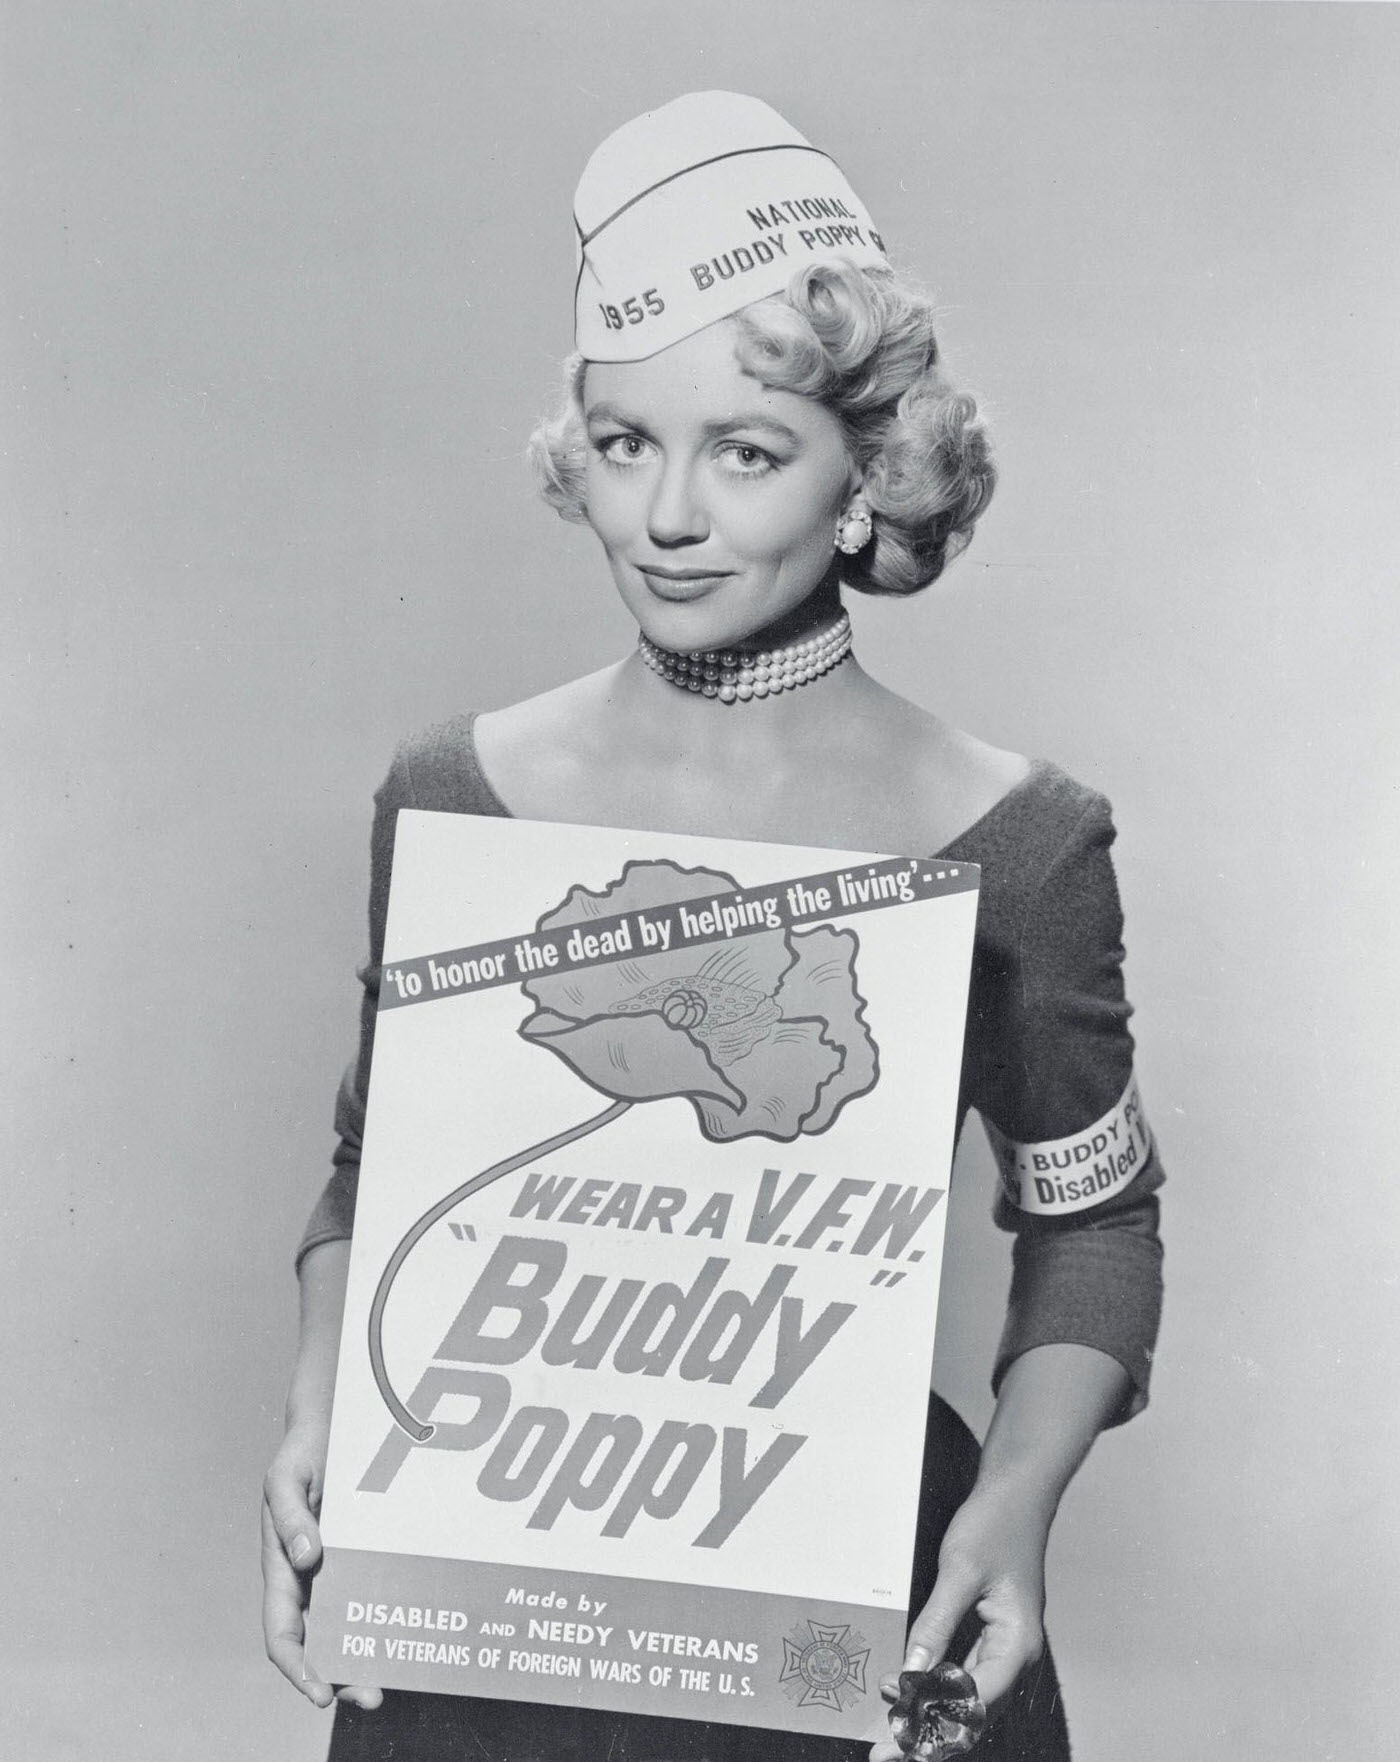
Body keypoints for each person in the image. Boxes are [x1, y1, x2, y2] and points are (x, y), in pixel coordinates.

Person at [261, 92, 1164, 1762]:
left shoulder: (1019, 838)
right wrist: (327, 1396)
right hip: (489, 1609)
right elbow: (370, 1164)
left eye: (745, 452)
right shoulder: (455, 793)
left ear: (862, 476)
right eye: (624, 443)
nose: (667, 515)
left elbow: (1095, 1226)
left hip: (856, 1611)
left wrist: (1020, 1508)